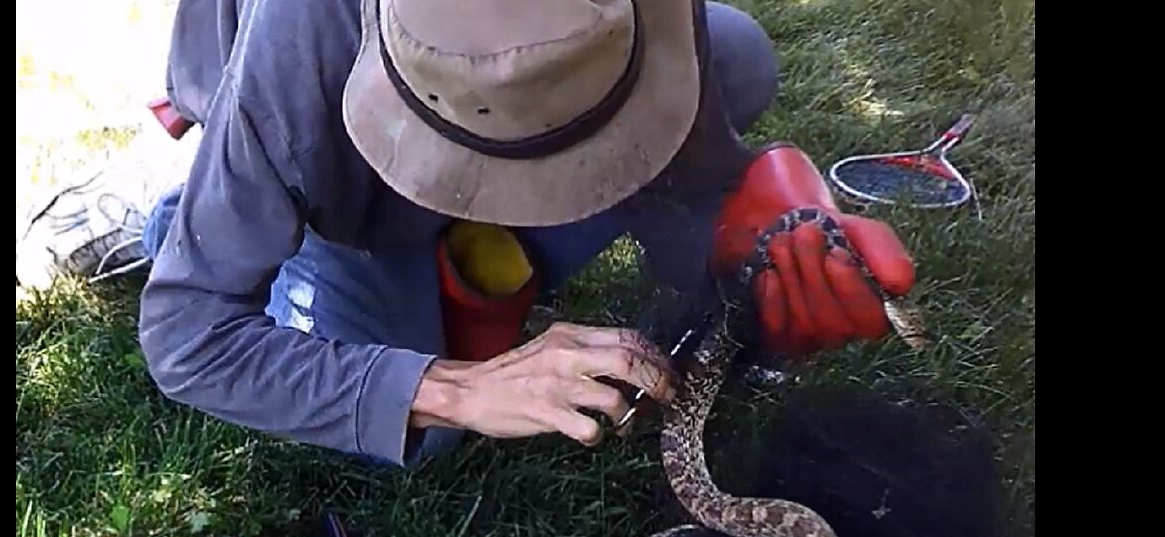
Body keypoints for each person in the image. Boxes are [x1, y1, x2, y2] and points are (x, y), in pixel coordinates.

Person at [109, 0, 917, 467]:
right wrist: (459, 388)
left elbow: (691, 175)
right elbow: (189, 338)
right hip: (343, 186)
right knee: (423, 440)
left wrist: (752, 238)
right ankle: (190, 217)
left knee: (736, 56)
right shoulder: (295, 74)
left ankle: (474, 251)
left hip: (432, 114)